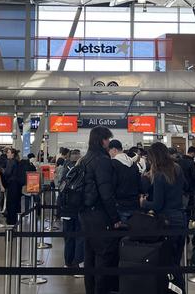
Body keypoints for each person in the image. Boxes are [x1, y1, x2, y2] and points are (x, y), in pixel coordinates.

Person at [140, 142, 188, 292]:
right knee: (175, 261)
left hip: (167, 221)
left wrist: (143, 203)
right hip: (180, 218)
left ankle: (173, 290)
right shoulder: (177, 168)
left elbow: (158, 204)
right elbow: (185, 187)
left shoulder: (160, 175)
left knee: (167, 262)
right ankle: (179, 290)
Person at [79, 126, 122, 294]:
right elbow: (106, 193)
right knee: (104, 257)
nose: (109, 142)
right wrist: (115, 218)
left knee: (89, 256)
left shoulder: (85, 159)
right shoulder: (102, 160)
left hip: (85, 214)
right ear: (102, 140)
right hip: (99, 215)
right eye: (108, 139)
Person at [58, 150, 84, 272]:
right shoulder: (82, 170)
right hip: (78, 208)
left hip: (66, 208)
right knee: (79, 237)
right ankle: (77, 264)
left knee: (69, 237)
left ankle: (68, 263)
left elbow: (61, 187)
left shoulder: (65, 168)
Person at [108, 139, 142, 223]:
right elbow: (139, 183)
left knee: (122, 233)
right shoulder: (133, 164)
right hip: (135, 204)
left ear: (114, 150)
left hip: (120, 205)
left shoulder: (113, 164)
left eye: (109, 151)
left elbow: (112, 185)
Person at [178, 146, 195, 212]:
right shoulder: (191, 162)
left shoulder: (179, 161)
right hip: (189, 188)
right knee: (189, 208)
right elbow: (194, 177)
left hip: (180, 187)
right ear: (192, 153)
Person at [3, 148, 24, 225]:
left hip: (12, 185)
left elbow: (7, 173)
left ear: (12, 154)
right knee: (17, 203)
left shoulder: (10, 162)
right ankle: (17, 220)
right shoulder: (18, 162)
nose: (7, 154)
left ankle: (11, 220)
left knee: (11, 203)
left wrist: (3, 172)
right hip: (18, 185)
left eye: (8, 152)